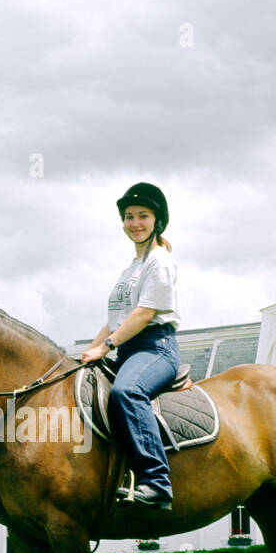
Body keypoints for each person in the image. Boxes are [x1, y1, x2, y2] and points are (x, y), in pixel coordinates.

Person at [80, 181, 181, 510]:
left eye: (143, 216)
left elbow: (143, 314)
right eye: (129, 217)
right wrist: (87, 355)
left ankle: (156, 482)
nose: (135, 223)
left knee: (127, 392)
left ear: (158, 220)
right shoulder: (130, 269)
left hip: (155, 348)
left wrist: (105, 347)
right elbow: (116, 319)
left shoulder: (159, 260)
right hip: (126, 348)